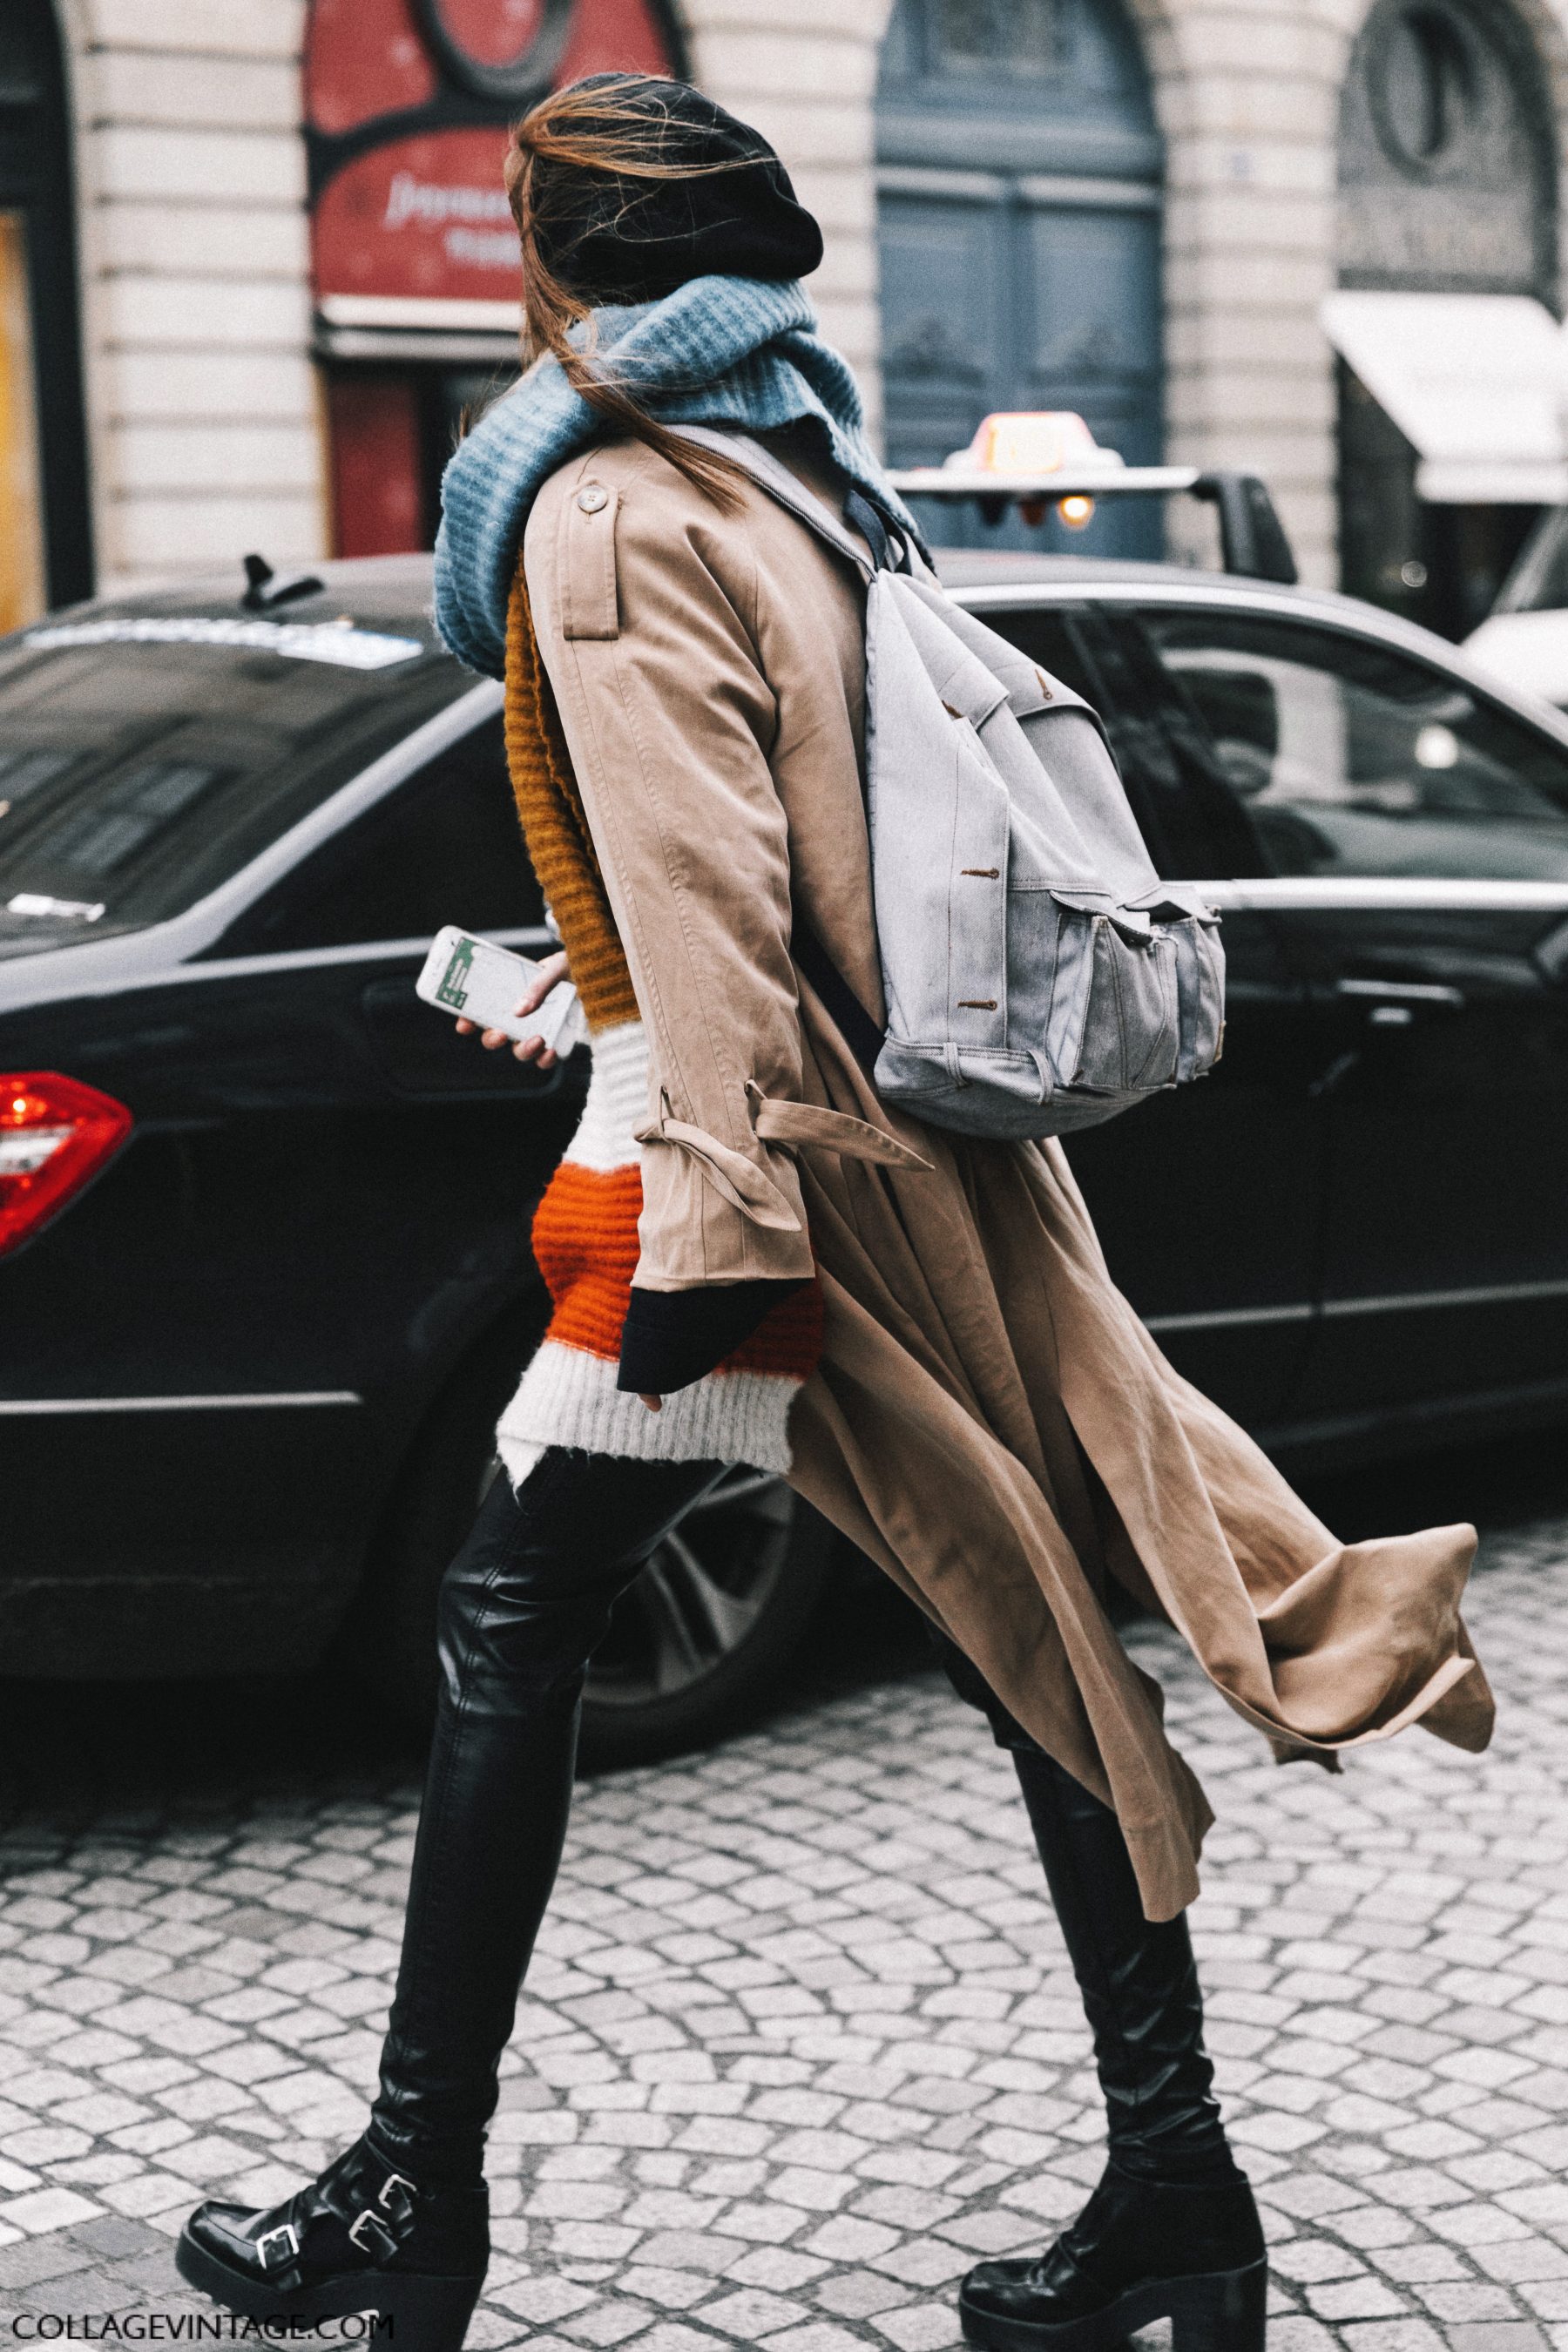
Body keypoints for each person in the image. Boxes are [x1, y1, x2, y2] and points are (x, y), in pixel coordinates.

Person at [175, 74, 1494, 2352]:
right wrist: (578, 1008)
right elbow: (783, 866)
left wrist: (696, 1239)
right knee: (1028, 1633)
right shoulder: (794, 466)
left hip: (755, 1175)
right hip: (897, 1147)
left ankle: (416, 2185)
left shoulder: (596, 514)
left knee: (518, 1629)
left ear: (561, 260)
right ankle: (1174, 2183)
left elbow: (716, 919)